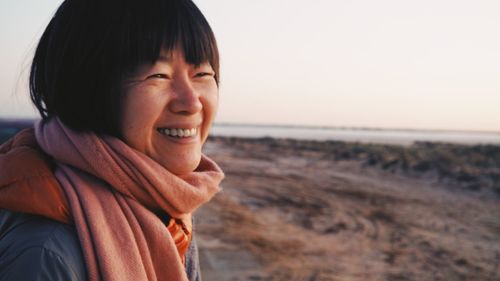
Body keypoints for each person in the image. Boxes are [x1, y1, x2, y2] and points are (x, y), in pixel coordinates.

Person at [0, 0, 224, 280]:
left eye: (202, 74)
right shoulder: (45, 256)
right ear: (90, 89)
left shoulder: (165, 207)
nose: (191, 103)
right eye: (158, 75)